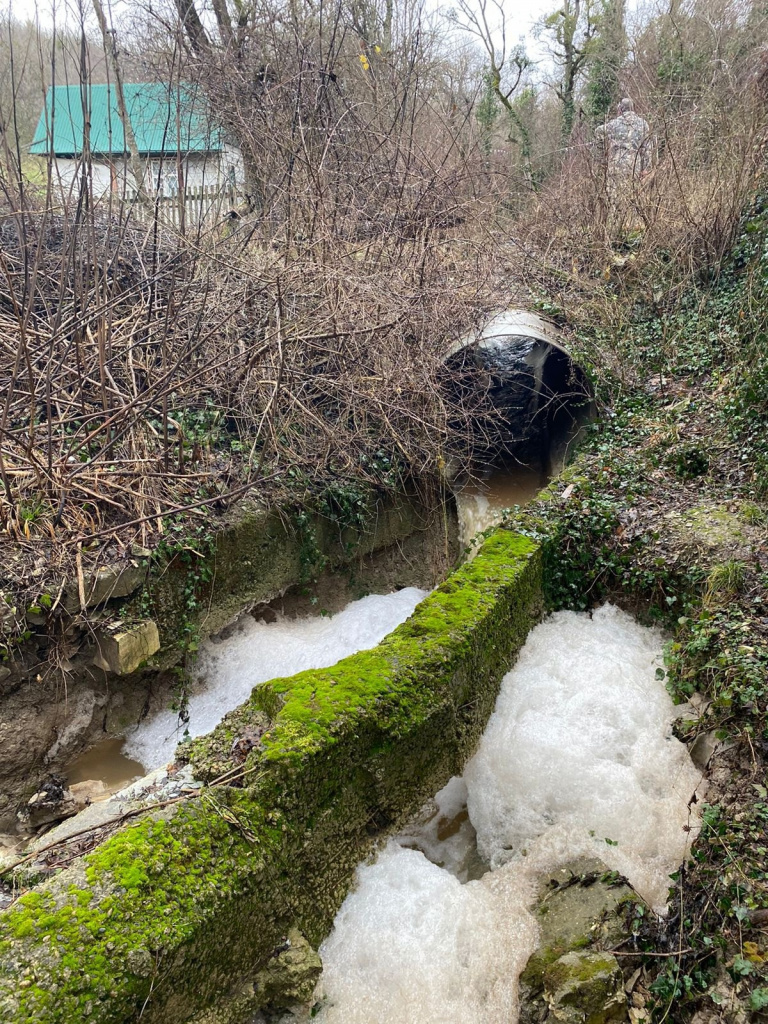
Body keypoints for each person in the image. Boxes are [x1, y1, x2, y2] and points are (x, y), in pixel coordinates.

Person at [594, 97, 655, 239]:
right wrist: (645, 168)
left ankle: (613, 232)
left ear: (620, 109)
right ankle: (631, 232)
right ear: (632, 109)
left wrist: (601, 157)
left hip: (616, 164)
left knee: (614, 199)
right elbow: (647, 148)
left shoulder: (614, 124)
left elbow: (598, 131)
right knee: (632, 198)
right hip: (634, 164)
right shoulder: (643, 124)